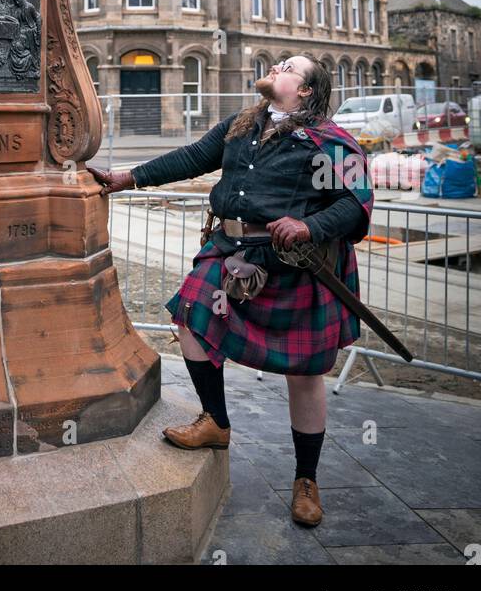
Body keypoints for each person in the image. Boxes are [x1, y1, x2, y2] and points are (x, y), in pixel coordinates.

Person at [87, 53, 373, 527]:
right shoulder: (241, 125)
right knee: (190, 320)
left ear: (305, 90)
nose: (277, 67)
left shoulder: (331, 142)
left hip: (295, 267)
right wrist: (128, 177)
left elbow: (357, 205)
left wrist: (309, 225)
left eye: (288, 67)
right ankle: (216, 421)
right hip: (231, 253)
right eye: (279, 62)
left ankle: (306, 478)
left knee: (304, 374)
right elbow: (191, 158)